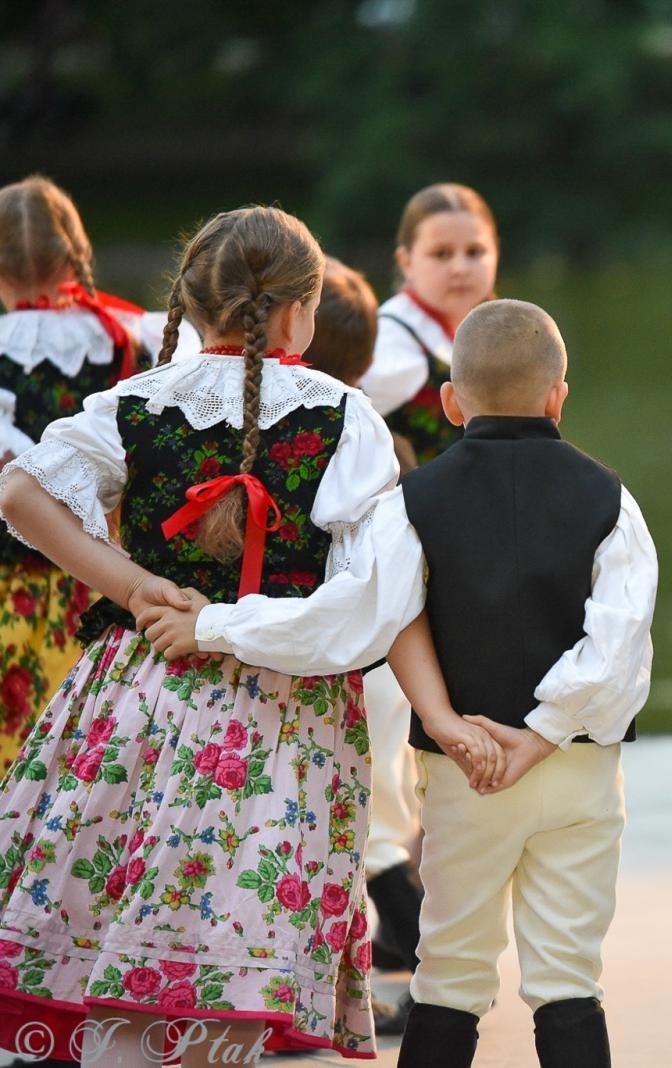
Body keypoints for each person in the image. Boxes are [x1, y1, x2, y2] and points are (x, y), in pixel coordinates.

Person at [142, 298, 657, 1068]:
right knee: (569, 976)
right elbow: (618, 645)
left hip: (466, 767)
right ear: (559, 395)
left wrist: (216, 625)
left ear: (450, 401)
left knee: (450, 970)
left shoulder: (413, 503)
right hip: (577, 769)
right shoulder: (611, 499)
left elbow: (347, 618)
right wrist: (544, 732)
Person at [0, 205, 396, 1065]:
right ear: (301, 310)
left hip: (140, 689)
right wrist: (235, 625)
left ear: (190, 301)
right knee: (230, 958)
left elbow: (22, 492)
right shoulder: (345, 416)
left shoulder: (137, 403)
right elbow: (370, 594)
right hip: (279, 712)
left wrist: (134, 585)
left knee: (122, 938)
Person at [0, 175, 195, 777]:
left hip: (10, 586)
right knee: (89, 756)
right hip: (111, 580)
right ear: (78, 254)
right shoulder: (137, 336)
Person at [299, 257, 424, 1034]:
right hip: (386, 659)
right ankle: (419, 958)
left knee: (349, 825)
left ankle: (394, 964)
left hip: (329, 659)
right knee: (382, 816)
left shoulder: (297, 439)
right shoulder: (387, 443)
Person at [360, 182, 499, 466]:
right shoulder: (391, 342)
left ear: (496, 252)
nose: (460, 268)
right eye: (441, 254)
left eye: (475, 252)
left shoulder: (490, 328)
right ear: (406, 262)